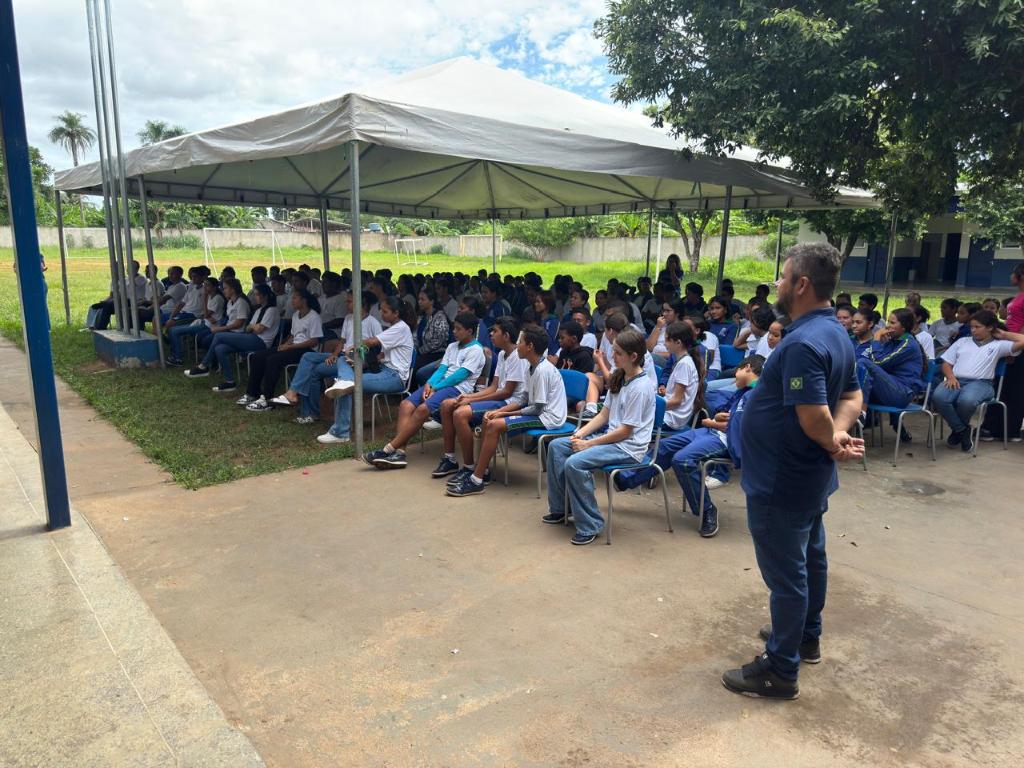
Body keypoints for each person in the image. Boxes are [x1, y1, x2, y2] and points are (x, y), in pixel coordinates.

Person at [722, 243, 863, 700]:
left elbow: (812, 415)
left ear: (801, 284)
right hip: (807, 475)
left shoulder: (802, 342)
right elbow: (850, 400)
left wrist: (829, 437)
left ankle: (781, 669)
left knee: (787, 576)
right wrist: (837, 437)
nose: (778, 284)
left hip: (782, 479)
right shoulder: (834, 331)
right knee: (810, 558)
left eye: (783, 277)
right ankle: (806, 636)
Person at [542, 329, 657, 546]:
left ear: (633, 356)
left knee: (575, 463)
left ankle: (591, 524)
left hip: (628, 447)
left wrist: (588, 444)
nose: (612, 357)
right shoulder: (620, 377)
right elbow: (605, 414)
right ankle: (560, 509)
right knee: (558, 446)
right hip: (610, 438)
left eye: (618, 353)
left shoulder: (642, 387)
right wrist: (580, 433)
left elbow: (626, 432)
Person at [446, 325, 567, 497]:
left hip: (548, 418)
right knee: (489, 419)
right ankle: (482, 473)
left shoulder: (542, 370)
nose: (517, 345)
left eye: (520, 342)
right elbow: (522, 400)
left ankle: (476, 481)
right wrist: (500, 410)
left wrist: (505, 414)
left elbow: (537, 408)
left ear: (530, 346)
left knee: (495, 425)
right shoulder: (530, 366)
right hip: (537, 412)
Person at [363, 312, 486, 469]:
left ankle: (388, 449)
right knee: (405, 405)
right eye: (454, 328)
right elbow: (442, 369)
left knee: (422, 409)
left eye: (458, 329)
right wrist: (429, 383)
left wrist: (436, 387)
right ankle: (400, 453)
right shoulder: (452, 346)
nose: (454, 332)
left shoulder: (476, 350)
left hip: (457, 389)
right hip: (439, 386)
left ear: (469, 331)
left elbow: (460, 376)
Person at [433, 317, 527, 482]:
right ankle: (450, 459)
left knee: (460, 414)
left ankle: (470, 467)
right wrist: (468, 396)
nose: (490, 334)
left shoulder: (517, 357)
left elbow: (506, 392)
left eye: (495, 331)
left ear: (505, 336)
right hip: (499, 397)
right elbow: (493, 387)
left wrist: (469, 401)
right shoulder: (503, 354)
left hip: (510, 403)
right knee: (447, 404)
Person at [933, 309, 1024, 453]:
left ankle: (958, 431)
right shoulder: (962, 341)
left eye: (977, 327)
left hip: (981, 383)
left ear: (989, 328)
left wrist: (1004, 334)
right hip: (955, 379)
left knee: (967, 401)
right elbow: (946, 363)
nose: (973, 330)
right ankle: (962, 430)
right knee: (939, 397)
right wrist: (950, 376)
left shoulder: (998, 345)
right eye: (971, 327)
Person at [240, 289, 323, 412]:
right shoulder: (296, 315)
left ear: (304, 300)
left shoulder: (314, 316)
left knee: (273, 360)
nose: (292, 301)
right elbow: (293, 335)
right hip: (294, 346)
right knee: (258, 356)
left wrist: (290, 347)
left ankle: (267, 399)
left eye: (295, 298)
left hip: (307, 351)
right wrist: (285, 344)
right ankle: (252, 393)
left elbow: (314, 341)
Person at [855, 308, 927, 440]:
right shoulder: (891, 341)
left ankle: (862, 413)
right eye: (888, 321)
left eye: (892, 323)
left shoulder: (908, 344)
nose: (887, 325)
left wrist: (876, 340)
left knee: (863, 363)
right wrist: (881, 344)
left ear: (904, 327)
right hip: (887, 389)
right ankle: (859, 415)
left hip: (901, 394)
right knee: (853, 374)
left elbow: (877, 362)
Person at [982, 263, 1024, 443]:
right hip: (1010, 343)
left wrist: (1014, 347)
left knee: (1012, 388)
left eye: (1013, 272)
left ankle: (1006, 429)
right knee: (1004, 386)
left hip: (1017, 346)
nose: (1010, 275)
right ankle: (998, 427)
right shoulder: (1019, 296)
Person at [183, 278, 252, 379]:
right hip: (229, 330)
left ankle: (204, 365)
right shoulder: (230, 302)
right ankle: (212, 364)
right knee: (206, 340)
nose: (223, 290)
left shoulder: (241, 302)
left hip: (238, 333)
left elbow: (238, 324)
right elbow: (229, 319)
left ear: (233, 289)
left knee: (215, 337)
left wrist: (220, 329)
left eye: (225, 288)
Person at [166, 277, 225, 366]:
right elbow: (206, 315)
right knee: (172, 330)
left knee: (174, 331)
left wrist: (204, 299)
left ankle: (177, 358)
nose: (205, 287)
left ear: (215, 287)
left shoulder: (217, 298)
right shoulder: (210, 296)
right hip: (204, 322)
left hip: (209, 326)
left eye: (208, 285)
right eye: (204, 285)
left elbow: (206, 314)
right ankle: (175, 354)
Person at [86, 259, 148, 330]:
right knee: (106, 306)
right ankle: (98, 326)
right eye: (128, 268)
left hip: (135, 301)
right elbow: (115, 293)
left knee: (110, 303)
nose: (128, 270)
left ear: (137, 269)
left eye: (132, 268)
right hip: (123, 301)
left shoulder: (141, 278)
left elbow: (132, 285)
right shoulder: (125, 280)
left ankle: (100, 326)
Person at [414, 286, 451, 371]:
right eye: (419, 299)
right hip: (422, 352)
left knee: (416, 366)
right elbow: (416, 335)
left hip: (436, 354)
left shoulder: (439, 317)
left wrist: (420, 351)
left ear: (431, 301)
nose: (419, 302)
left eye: (422, 300)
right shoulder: (422, 317)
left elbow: (438, 341)